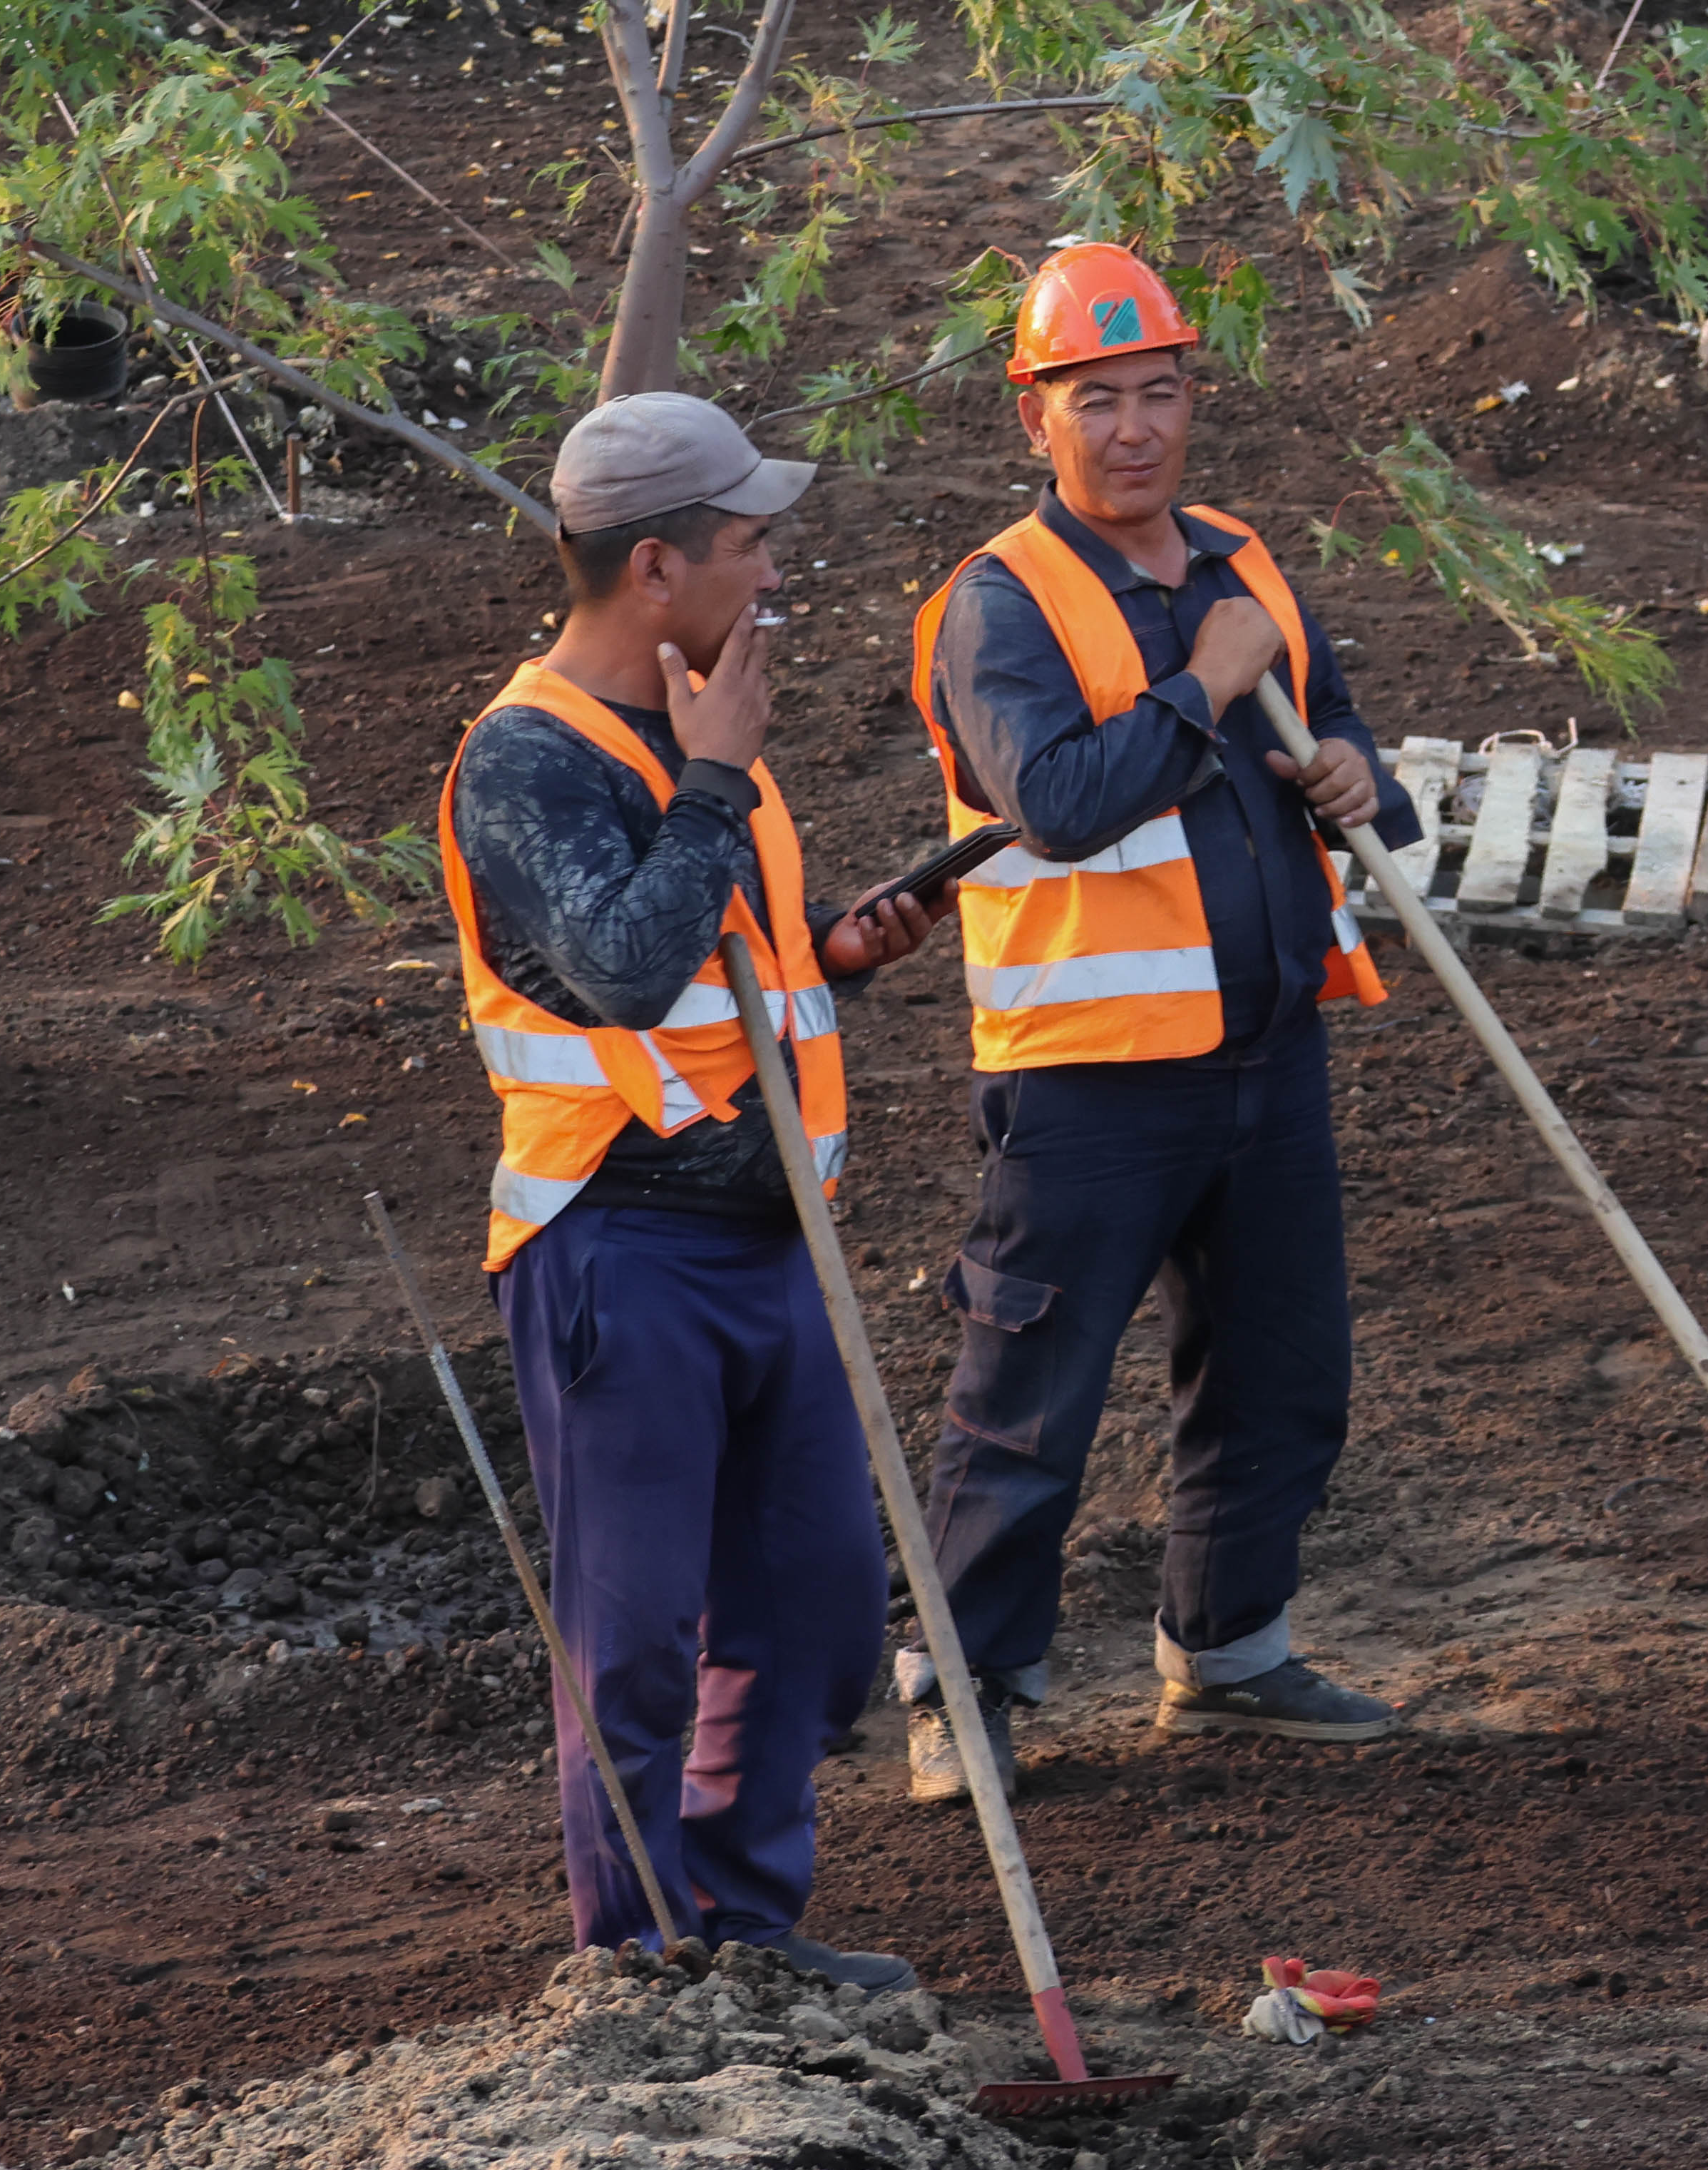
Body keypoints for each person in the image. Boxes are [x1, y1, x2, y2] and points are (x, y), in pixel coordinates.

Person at [899, 243, 1426, 1800]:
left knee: (1279, 1368)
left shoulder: (1242, 561)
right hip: (1088, 1083)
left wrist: (1348, 775)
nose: (1135, 430)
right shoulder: (997, 605)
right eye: (1097, 400)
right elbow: (1058, 804)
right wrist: (1204, 685)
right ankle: (964, 1693)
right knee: (1029, 1399)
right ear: (1034, 420)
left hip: (1270, 1046)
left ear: (1194, 395)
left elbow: (1338, 724)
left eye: (1160, 393)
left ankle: (1230, 1650)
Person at [435, 389, 943, 1975]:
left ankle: (736, 1918)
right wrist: (717, 780)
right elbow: (621, 973)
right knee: (637, 1636)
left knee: (817, 1609)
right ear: (654, 565)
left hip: (767, 1240)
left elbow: (721, 980)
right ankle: (640, 1955)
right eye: (751, 543)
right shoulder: (529, 761)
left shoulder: (698, 722)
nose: (774, 569)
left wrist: (835, 958)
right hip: (619, 1251)